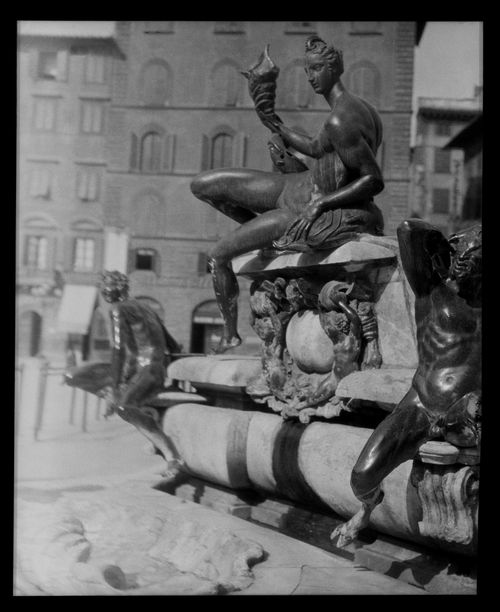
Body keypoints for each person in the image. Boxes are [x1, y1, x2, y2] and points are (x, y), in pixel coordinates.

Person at [190, 35, 384, 354]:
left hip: (304, 206)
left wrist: (321, 203)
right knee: (203, 185)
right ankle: (262, 234)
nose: (310, 77)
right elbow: (316, 148)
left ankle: (229, 336)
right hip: (296, 185)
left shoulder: (341, 118)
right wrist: (274, 122)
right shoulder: (356, 109)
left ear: (335, 68)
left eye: (317, 69)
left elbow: (373, 181)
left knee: (218, 256)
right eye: (308, 70)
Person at [331, 220, 482, 547]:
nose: (466, 268)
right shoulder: (432, 290)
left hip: (468, 409)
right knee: (362, 476)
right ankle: (367, 508)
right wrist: (448, 243)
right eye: (463, 257)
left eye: (475, 260)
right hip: (421, 403)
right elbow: (408, 230)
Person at [64, 271, 183, 478]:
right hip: (139, 369)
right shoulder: (146, 307)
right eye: (103, 287)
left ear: (121, 288)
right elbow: (172, 344)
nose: (105, 291)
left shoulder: (118, 309)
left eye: (109, 287)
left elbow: (118, 350)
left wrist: (115, 386)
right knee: (71, 375)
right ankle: (133, 407)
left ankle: (172, 456)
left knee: (123, 407)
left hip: (148, 370)